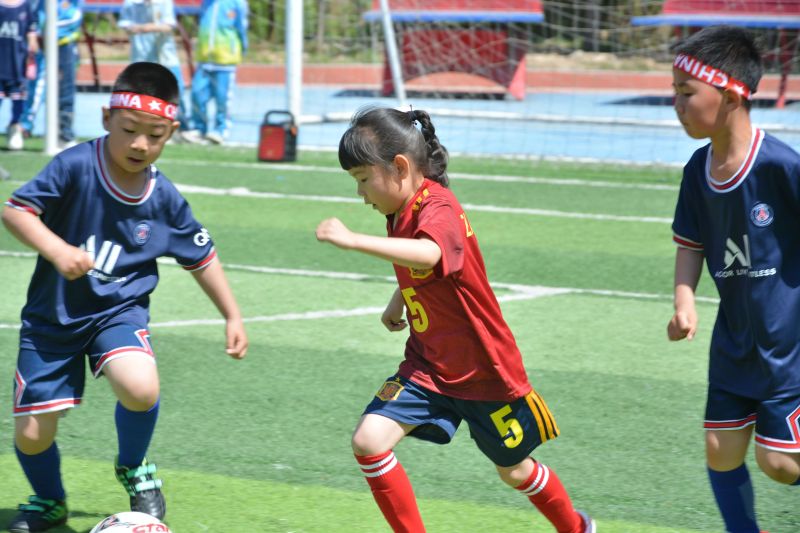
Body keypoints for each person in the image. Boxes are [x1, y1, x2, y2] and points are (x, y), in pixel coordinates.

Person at [315, 106, 595, 533]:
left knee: (514, 471)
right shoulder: (397, 211)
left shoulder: (440, 206)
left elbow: (430, 254)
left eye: (363, 179)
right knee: (368, 441)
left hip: (483, 370)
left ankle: (576, 528)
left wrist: (352, 241)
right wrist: (399, 299)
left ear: (400, 167)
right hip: (427, 365)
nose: (360, 193)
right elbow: (424, 267)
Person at [3, 61, 248, 532]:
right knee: (33, 435)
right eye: (129, 130)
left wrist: (232, 315)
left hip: (118, 311)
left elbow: (201, 256)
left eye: (154, 136)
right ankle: (49, 499)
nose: (140, 144)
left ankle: (134, 466)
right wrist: (57, 250)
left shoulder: (164, 197)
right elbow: (16, 211)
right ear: (106, 119)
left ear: (171, 132)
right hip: (52, 318)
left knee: (140, 387)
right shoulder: (74, 165)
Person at [667, 25, 800, 532]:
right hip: (734, 343)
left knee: (780, 463)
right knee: (719, 450)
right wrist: (684, 301)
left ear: (730, 95)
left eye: (686, 92)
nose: (677, 104)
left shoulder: (781, 166)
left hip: (787, 345)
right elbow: (691, 242)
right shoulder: (697, 170)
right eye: (675, 92)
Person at [117, 0, 189, 139]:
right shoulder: (131, 3)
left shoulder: (164, 2)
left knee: (176, 90)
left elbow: (169, 25)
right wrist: (136, 28)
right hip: (141, 57)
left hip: (166, 57)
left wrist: (150, 27)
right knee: (145, 95)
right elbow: (124, 23)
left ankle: (183, 127)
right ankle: (148, 128)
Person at [181, 0, 248, 146]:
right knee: (197, 94)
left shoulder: (237, 3)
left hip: (225, 60)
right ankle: (199, 128)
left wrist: (242, 48)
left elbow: (241, 27)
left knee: (222, 98)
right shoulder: (206, 3)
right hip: (205, 60)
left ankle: (221, 130)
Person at [19, 0, 82, 149]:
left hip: (65, 47)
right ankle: (23, 127)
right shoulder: (41, 3)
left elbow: (74, 18)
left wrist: (49, 30)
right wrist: (37, 34)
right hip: (43, 45)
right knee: (37, 87)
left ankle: (65, 134)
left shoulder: (73, 3)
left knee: (66, 92)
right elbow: (34, 17)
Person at [0, 0, 38, 151]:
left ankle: (14, 127)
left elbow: (31, 31)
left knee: (18, 101)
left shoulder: (25, 6)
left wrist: (32, 47)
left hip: (17, 65)